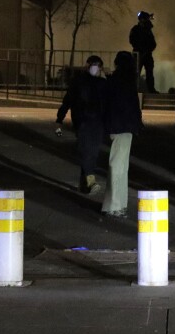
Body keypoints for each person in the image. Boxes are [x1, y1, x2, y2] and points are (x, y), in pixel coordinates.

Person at [56, 55, 107, 194]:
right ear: (87, 66)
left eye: (98, 65)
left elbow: (108, 104)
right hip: (83, 122)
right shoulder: (79, 82)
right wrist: (59, 119)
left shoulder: (102, 83)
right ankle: (90, 181)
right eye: (93, 64)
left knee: (92, 153)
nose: (95, 68)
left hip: (97, 123)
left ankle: (83, 185)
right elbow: (67, 101)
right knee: (87, 152)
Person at [102, 51, 143, 218]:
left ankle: (115, 205)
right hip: (127, 128)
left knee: (117, 166)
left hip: (116, 127)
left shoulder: (113, 81)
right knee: (121, 168)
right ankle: (116, 205)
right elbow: (134, 106)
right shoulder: (129, 82)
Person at [129, 11, 158, 93]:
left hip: (147, 54)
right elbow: (132, 41)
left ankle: (151, 89)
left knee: (149, 73)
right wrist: (141, 49)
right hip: (138, 54)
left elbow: (153, 43)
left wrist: (148, 50)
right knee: (135, 73)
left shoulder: (148, 30)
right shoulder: (135, 29)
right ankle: (133, 90)